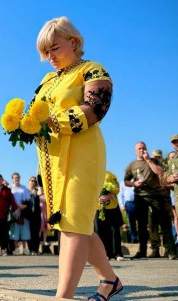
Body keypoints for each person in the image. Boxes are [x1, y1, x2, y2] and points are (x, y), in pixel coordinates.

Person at [33, 17, 122, 300]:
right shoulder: (48, 79)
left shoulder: (92, 69)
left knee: (73, 222)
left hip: (84, 152)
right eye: (45, 52)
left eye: (54, 48)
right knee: (75, 222)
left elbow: (97, 107)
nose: (50, 57)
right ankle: (109, 280)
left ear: (74, 42)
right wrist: (24, 123)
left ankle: (63, 297)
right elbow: (36, 113)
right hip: (52, 159)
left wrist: (53, 121)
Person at [124, 142, 178, 260]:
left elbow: (161, 173)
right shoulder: (132, 165)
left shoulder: (154, 160)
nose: (142, 150)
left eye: (143, 148)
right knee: (142, 225)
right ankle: (142, 251)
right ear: (135, 150)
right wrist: (134, 183)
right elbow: (126, 181)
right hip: (140, 197)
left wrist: (148, 160)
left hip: (156, 195)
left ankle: (171, 251)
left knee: (164, 222)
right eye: (139, 148)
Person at [95, 171, 124, 261]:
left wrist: (110, 195)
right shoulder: (90, 174)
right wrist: (97, 198)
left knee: (115, 231)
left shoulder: (110, 174)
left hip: (113, 207)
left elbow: (117, 188)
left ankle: (117, 254)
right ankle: (104, 254)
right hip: (98, 207)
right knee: (100, 231)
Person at [9, 172, 31, 255]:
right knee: (15, 231)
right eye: (15, 178)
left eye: (18, 177)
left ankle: (25, 249)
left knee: (24, 231)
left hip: (23, 212)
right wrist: (16, 208)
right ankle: (17, 249)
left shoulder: (24, 188)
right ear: (12, 179)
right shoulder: (10, 188)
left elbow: (28, 201)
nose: (16, 179)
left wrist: (20, 208)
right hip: (13, 212)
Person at [27, 176, 42, 255]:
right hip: (28, 215)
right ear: (28, 182)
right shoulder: (25, 191)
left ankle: (35, 250)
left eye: (34, 181)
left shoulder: (37, 190)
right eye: (31, 181)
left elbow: (41, 193)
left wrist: (39, 184)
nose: (33, 182)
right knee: (29, 232)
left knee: (36, 233)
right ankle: (30, 249)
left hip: (36, 215)